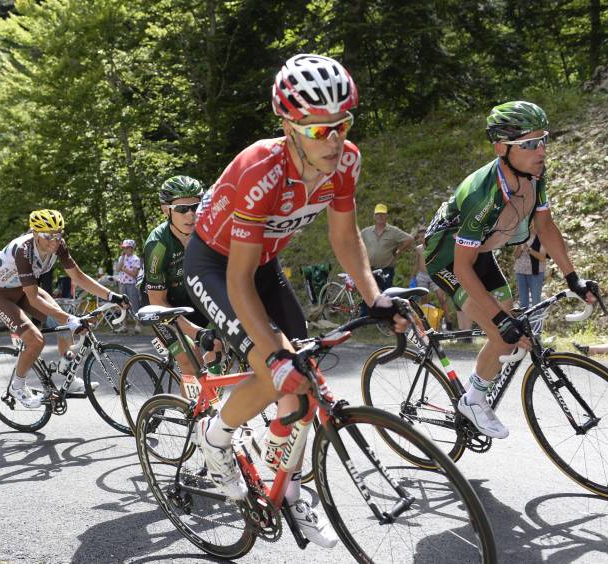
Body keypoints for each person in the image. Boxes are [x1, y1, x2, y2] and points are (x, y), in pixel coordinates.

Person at [184, 53, 407, 548]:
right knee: (274, 370)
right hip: (217, 266)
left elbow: (346, 238)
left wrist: (374, 296)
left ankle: (289, 488)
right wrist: (272, 352)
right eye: (317, 130)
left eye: (341, 125)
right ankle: (215, 436)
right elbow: (238, 281)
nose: (333, 140)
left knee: (303, 385)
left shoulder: (345, 159)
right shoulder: (260, 169)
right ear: (287, 125)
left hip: (262, 264)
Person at [423, 100, 598, 440]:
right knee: (501, 331)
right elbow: (462, 266)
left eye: (543, 140)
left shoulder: (534, 175)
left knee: (512, 330)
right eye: (530, 144)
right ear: (502, 148)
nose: (541, 149)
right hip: (448, 258)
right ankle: (473, 400)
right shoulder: (483, 195)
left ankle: (476, 391)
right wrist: (499, 321)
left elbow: (546, 227)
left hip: (479, 253)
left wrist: (573, 278)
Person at [0, 210, 130, 407]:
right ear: (35, 233)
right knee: (36, 340)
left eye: (59, 234)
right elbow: (33, 298)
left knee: (64, 322)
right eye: (49, 236)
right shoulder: (23, 250)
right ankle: (17, 386)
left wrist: (112, 296)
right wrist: (69, 318)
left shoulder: (58, 245)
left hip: (21, 289)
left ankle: (67, 375)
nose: (55, 240)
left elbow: (78, 277)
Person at [142, 176, 213, 380]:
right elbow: (158, 301)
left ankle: (209, 399)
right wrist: (195, 332)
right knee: (191, 364)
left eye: (195, 207)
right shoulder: (158, 245)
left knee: (217, 349)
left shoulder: (207, 233)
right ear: (166, 210)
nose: (190, 214)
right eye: (182, 209)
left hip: (192, 300)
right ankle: (192, 410)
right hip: (162, 306)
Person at [361, 203, 413, 292]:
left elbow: (409, 239)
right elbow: (356, 242)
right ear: (374, 216)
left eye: (383, 214)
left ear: (386, 216)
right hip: (370, 270)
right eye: (378, 214)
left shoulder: (393, 231)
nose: (380, 216)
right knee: (369, 295)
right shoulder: (366, 232)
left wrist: (399, 250)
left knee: (386, 294)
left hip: (386, 270)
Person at [411, 226, 454, 329]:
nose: (422, 238)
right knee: (423, 299)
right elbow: (416, 264)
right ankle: (426, 324)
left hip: (434, 273)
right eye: (420, 236)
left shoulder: (435, 246)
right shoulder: (418, 249)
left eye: (424, 235)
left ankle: (449, 323)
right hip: (422, 276)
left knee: (441, 298)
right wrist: (412, 277)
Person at [512, 223, 548, 309]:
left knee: (536, 301)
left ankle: (537, 322)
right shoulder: (522, 238)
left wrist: (529, 250)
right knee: (523, 302)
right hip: (520, 271)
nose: (531, 227)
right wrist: (520, 247)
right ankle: (525, 321)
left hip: (536, 272)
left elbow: (542, 258)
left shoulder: (542, 238)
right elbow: (515, 256)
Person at [116, 239, 142, 334]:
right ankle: (124, 326)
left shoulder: (136, 259)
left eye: (126, 248)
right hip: (122, 284)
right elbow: (117, 269)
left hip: (131, 284)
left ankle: (137, 325)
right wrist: (122, 260)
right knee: (123, 305)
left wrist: (124, 269)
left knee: (134, 304)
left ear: (131, 248)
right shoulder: (121, 258)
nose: (124, 250)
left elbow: (135, 274)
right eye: (123, 248)